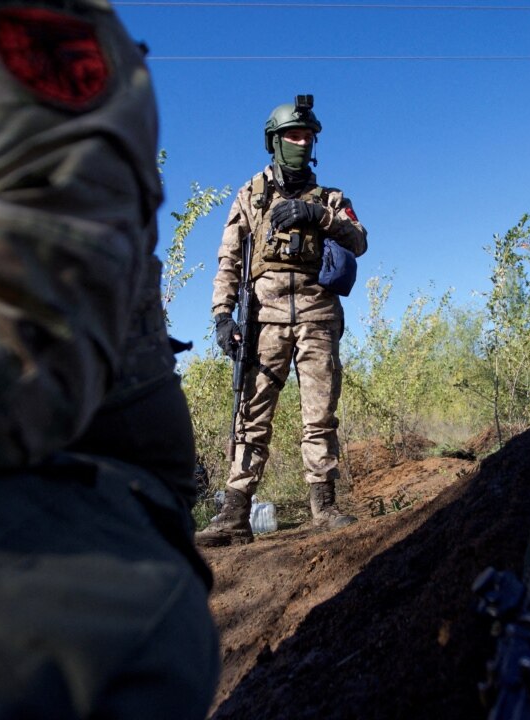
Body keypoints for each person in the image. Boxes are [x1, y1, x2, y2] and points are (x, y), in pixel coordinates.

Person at [0, 1, 219, 717]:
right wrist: (225, 308)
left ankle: (304, 503)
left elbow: (29, 326)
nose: (302, 143)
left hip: (70, 454)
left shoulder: (15, 25)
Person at [197, 95, 368, 547]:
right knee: (250, 415)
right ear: (274, 141)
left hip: (317, 314)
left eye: (307, 135)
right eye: (293, 134)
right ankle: (235, 514)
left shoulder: (331, 197)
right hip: (264, 318)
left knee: (319, 414)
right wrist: (221, 316)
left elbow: (360, 240)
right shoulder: (251, 193)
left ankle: (323, 506)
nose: (301, 141)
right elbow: (228, 259)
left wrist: (320, 215)